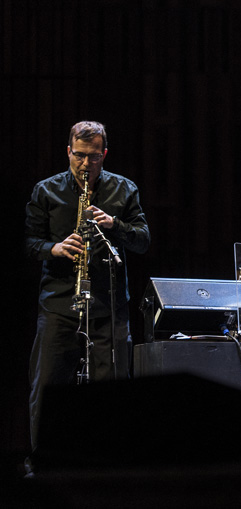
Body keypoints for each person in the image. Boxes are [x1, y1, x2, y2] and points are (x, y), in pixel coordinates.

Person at [24, 121, 151, 453]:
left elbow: (143, 240)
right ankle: (43, 463)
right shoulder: (46, 190)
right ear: (68, 151)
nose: (85, 165)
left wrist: (115, 224)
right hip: (59, 304)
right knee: (47, 388)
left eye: (93, 157)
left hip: (108, 307)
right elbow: (28, 242)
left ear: (104, 154)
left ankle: (106, 465)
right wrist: (53, 248)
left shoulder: (124, 190)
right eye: (79, 156)